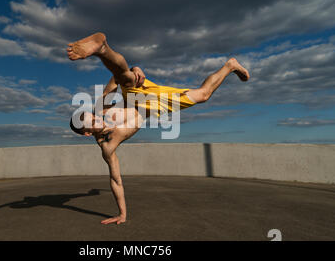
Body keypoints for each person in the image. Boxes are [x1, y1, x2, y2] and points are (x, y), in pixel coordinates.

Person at [67, 32, 250, 225]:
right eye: (93, 123)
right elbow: (115, 181)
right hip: (155, 106)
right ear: (88, 133)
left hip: (139, 93)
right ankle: (230, 65)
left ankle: (102, 48)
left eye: (94, 116)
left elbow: (116, 78)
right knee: (203, 95)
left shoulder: (102, 108)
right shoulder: (108, 145)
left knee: (127, 79)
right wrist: (122, 214)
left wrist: (135, 68)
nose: (98, 119)